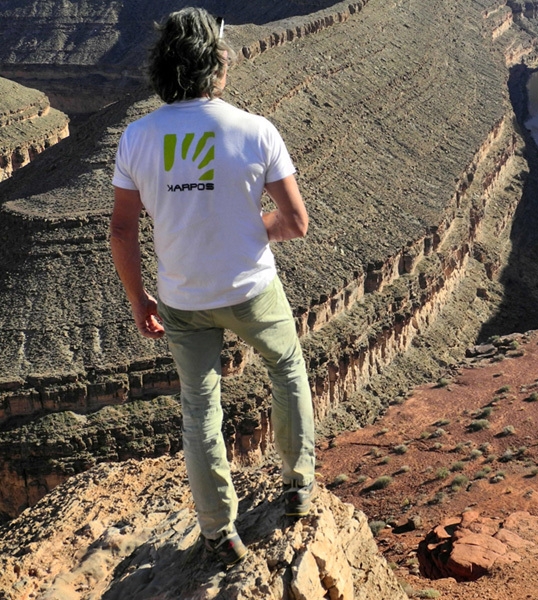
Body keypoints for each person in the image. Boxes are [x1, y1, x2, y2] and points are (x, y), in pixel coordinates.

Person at [109, 7, 316, 567]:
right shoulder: (255, 130)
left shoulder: (137, 138)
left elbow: (121, 231)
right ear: (216, 65)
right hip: (251, 289)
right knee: (286, 369)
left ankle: (217, 530)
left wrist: (138, 299)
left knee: (200, 407)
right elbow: (295, 221)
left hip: (182, 300)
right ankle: (298, 486)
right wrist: (250, 234)